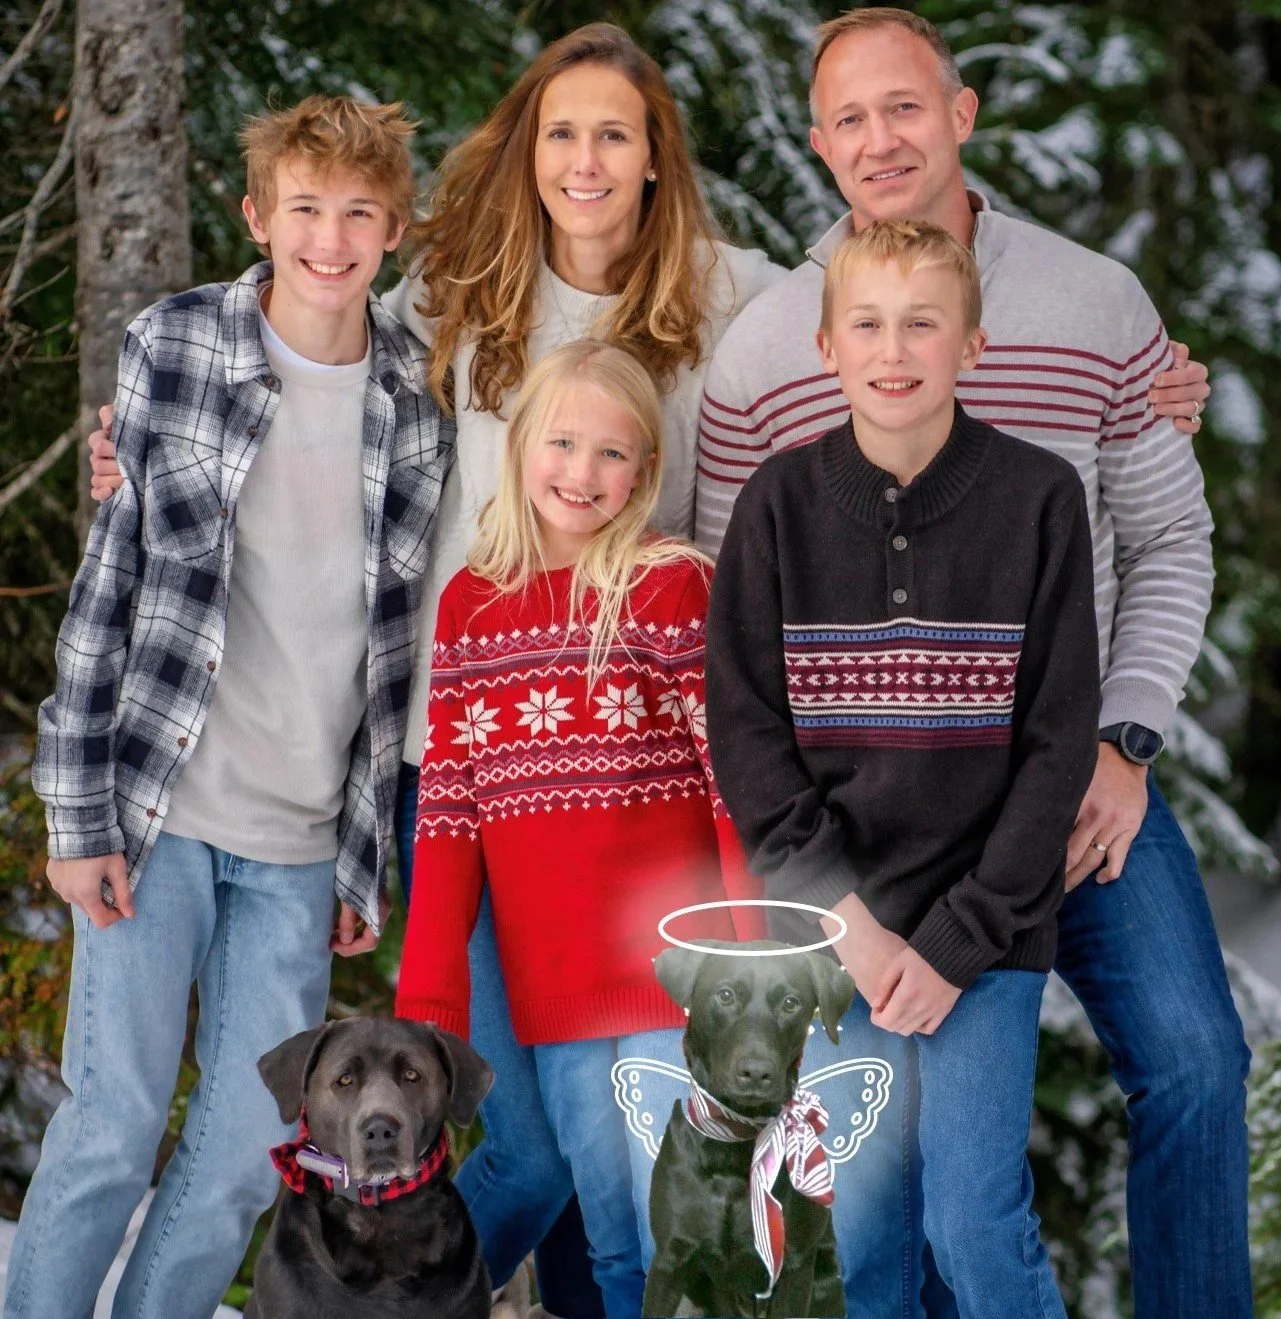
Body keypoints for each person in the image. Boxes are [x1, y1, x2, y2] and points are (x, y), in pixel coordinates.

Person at [86, 22, 785, 1318]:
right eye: (561, 131)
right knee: (534, 1127)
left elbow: (883, 312)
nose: (585, 159)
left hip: (630, 786)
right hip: (455, 753)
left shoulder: (730, 292)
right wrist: (159, 432)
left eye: (615, 133)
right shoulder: (457, 288)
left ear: (654, 156)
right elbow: (313, 324)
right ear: (527, 149)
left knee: (585, 1153)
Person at [695, 10, 1251, 1319]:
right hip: (873, 818)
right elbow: (735, 617)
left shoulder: (1093, 300)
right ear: (818, 143)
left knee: (1194, 1060)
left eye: (905, 106)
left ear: (961, 115)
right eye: (849, 118)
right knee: (910, 1177)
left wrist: (1126, 740)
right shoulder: (770, 347)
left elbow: (1170, 538)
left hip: (1073, 775)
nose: (880, 139)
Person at [7, 98, 449, 1319]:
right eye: (304, 208)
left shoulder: (418, 400)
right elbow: (109, 585)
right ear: (258, 216)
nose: (329, 238)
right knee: (113, 1122)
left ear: (395, 229)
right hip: (162, 810)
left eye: (358, 212)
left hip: (300, 842)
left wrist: (362, 856)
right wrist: (76, 813)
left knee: (249, 1153)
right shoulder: (179, 343)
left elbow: (393, 648)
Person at [705, 217, 1100, 1318]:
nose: (894, 349)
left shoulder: (1039, 498)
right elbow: (748, 735)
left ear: (972, 343)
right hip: (838, 938)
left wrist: (961, 938)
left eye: (922, 324)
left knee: (972, 1219)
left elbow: (1058, 741)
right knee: (860, 1234)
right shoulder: (777, 505)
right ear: (826, 346)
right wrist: (852, 928)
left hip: (988, 930)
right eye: (868, 324)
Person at [395, 339, 759, 1318]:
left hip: (678, 985)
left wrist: (755, 957)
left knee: (687, 1240)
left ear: (646, 469)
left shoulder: (672, 587)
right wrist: (430, 986)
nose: (582, 471)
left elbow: (734, 787)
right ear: (519, 446)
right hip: (553, 991)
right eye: (561, 442)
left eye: (612, 452)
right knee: (615, 1245)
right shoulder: (472, 607)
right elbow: (451, 811)